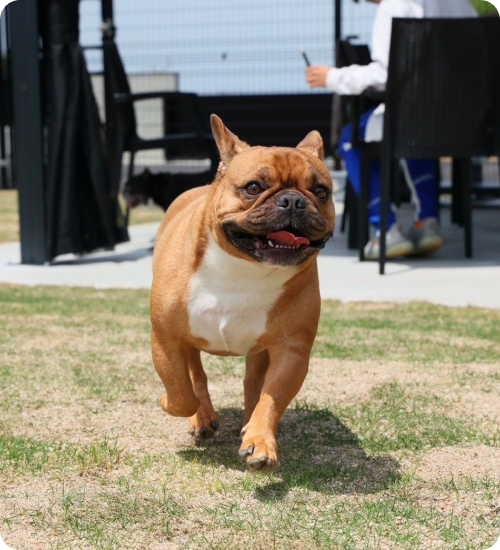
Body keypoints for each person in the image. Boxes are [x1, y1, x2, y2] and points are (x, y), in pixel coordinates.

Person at [306, 0, 478, 260]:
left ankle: (385, 229)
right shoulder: (462, 5)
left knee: (351, 140)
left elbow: (385, 75)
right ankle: (427, 222)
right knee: (415, 131)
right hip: (465, 119)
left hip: (412, 117)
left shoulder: (395, 6)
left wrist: (331, 77)